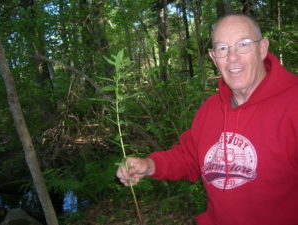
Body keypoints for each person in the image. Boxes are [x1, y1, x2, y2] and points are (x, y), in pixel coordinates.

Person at [117, 13, 298, 225]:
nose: (232, 57)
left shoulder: (293, 104)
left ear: (262, 48)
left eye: (243, 44)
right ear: (213, 57)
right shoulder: (210, 109)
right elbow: (189, 157)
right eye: (223, 48)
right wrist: (149, 165)